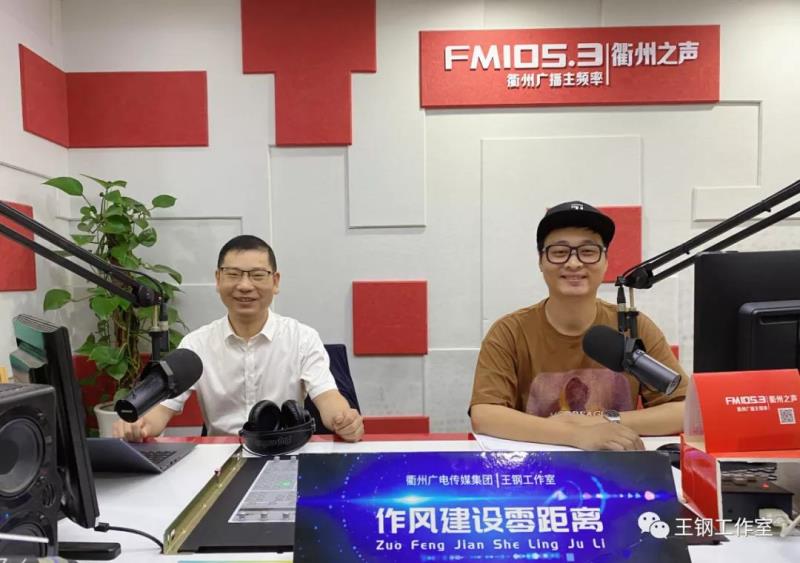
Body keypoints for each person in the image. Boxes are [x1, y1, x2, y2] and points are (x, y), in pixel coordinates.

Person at [470, 201, 688, 451]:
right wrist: (576, 435)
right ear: (540, 261)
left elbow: (684, 410)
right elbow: (484, 415)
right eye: (559, 252)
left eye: (588, 251)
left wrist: (602, 421)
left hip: (616, 464)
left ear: (605, 261)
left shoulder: (634, 327)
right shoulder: (509, 332)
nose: (573, 263)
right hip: (539, 469)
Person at [113, 235, 364, 442]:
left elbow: (328, 397)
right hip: (219, 463)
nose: (244, 286)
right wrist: (140, 425)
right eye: (233, 274)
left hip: (284, 453)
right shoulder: (196, 345)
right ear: (218, 279)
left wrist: (343, 419)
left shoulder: (302, 338)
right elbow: (161, 411)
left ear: (275, 282)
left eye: (257, 275)